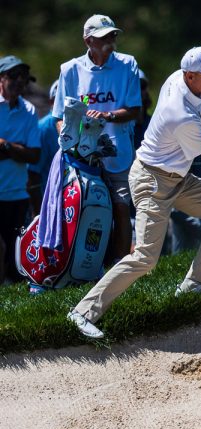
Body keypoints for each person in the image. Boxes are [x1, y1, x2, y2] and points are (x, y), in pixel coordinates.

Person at [66, 47, 201, 338]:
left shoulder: (181, 80)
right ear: (191, 75)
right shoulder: (179, 114)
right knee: (146, 257)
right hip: (152, 182)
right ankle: (81, 312)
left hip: (177, 177)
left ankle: (194, 286)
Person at [52, 14, 142, 265]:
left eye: (113, 35)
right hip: (81, 156)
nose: (111, 41)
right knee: (81, 211)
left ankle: (120, 267)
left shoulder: (128, 64)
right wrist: (68, 140)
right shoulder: (70, 70)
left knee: (121, 209)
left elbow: (135, 109)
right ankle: (81, 266)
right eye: (104, 37)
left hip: (119, 152)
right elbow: (59, 116)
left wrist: (107, 115)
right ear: (88, 41)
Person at [0, 55, 41, 284]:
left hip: (17, 194)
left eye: (23, 78)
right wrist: (19, 150)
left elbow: (34, 154)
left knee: (15, 254)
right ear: (1, 78)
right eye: (13, 76)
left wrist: (5, 145)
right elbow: (26, 151)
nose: (19, 82)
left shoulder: (29, 110)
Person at [28, 79, 60, 216]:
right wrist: (39, 215)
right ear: (51, 102)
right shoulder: (43, 128)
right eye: (60, 99)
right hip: (50, 202)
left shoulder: (82, 125)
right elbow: (33, 174)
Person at [133, 69, 152, 149]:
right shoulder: (119, 128)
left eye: (141, 85)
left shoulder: (154, 124)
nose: (138, 91)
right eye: (133, 86)